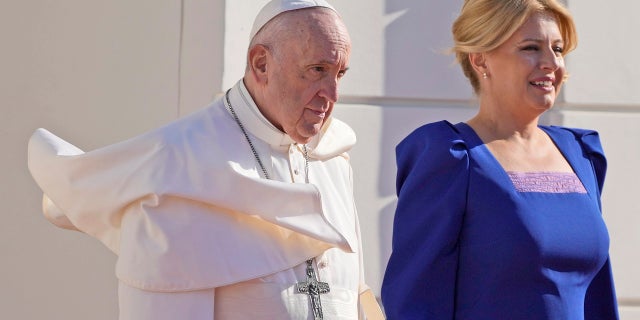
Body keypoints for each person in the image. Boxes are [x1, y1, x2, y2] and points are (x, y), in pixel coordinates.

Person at [28, 1, 384, 319]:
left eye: (339, 73)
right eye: (317, 69)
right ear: (261, 64)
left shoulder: (333, 157)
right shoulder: (178, 173)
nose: (333, 94)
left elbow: (354, 297)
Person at [381, 0, 618, 319]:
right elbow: (415, 303)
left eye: (558, 49)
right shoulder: (451, 157)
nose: (550, 63)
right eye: (531, 48)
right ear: (480, 60)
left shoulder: (581, 154)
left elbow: (599, 299)